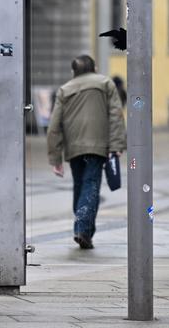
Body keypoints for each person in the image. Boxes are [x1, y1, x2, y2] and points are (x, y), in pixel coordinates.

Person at [47, 55, 127, 250]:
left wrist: (55, 157)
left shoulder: (65, 90)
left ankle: (85, 232)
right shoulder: (105, 83)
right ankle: (82, 228)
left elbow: (54, 126)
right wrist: (116, 146)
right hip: (97, 146)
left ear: (73, 71)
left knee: (80, 186)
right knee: (91, 186)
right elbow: (116, 116)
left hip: (74, 148)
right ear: (95, 68)